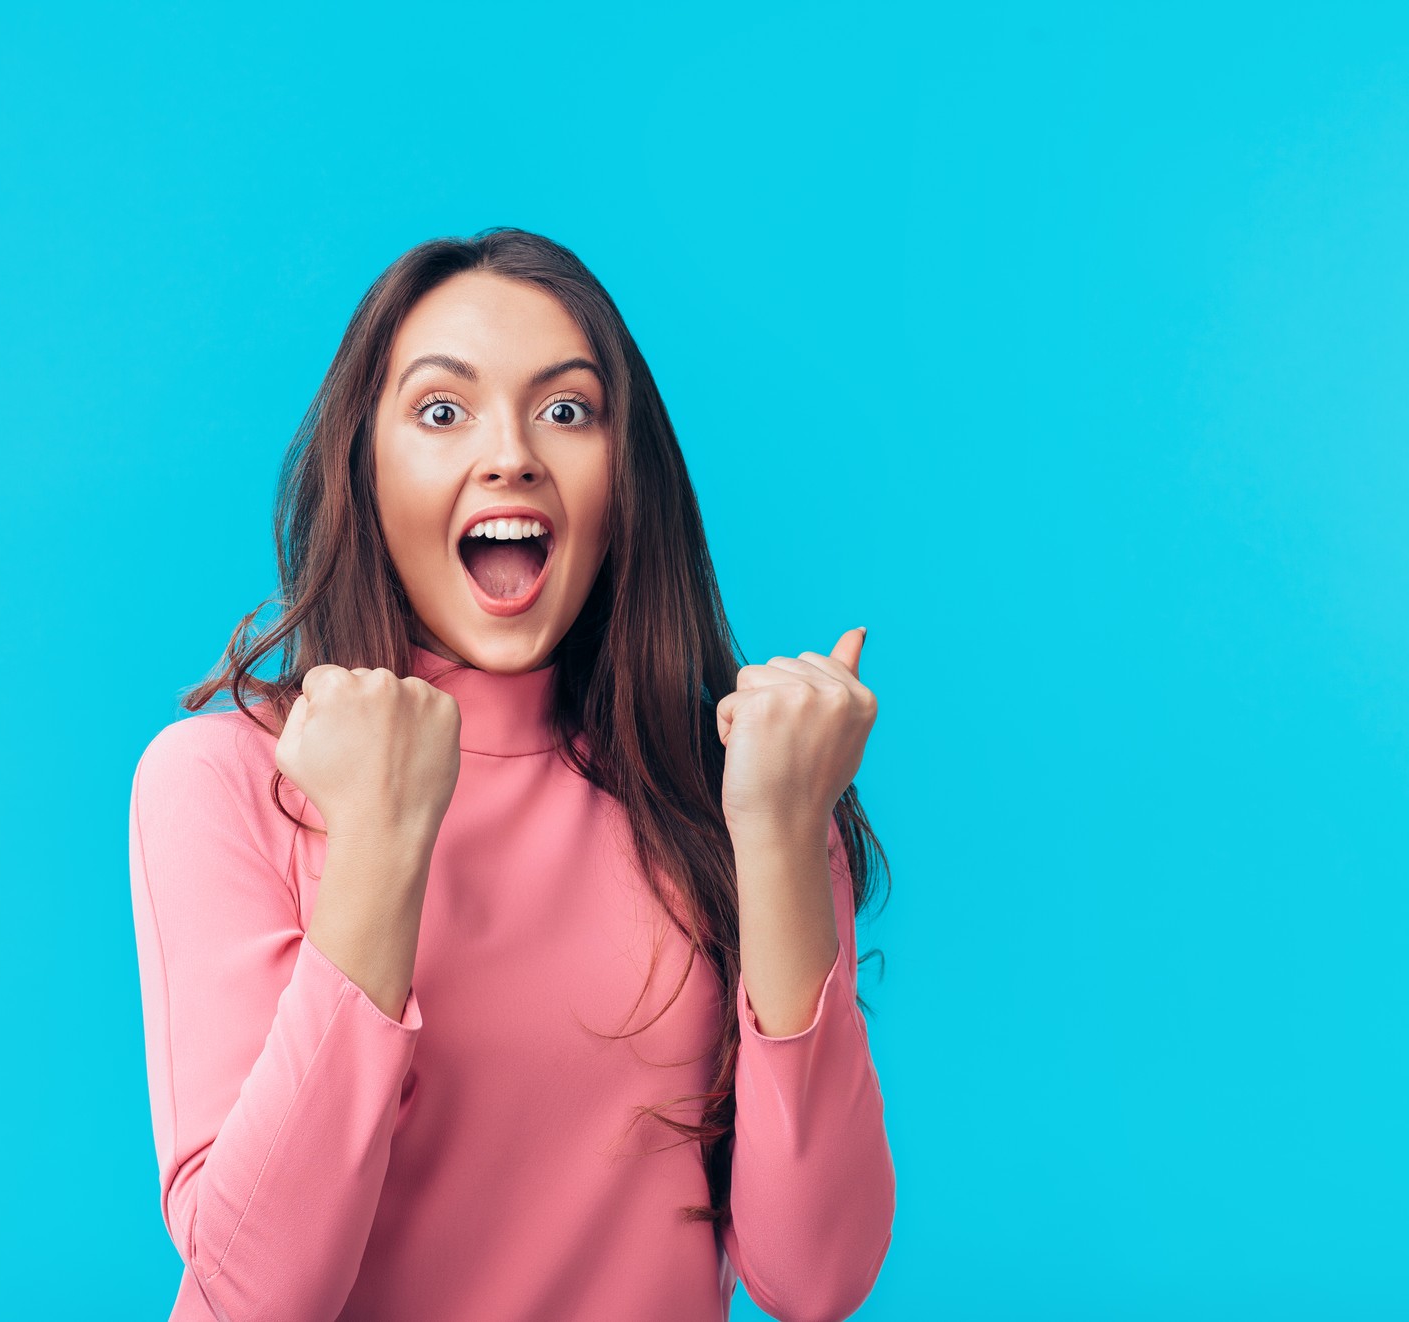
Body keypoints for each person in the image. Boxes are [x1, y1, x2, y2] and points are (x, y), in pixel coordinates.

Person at [126, 227, 895, 1321]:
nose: (512, 455)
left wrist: (778, 828)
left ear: (625, 478)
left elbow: (816, 1277)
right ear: (368, 465)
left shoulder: (734, 791)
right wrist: (382, 842)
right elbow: (260, 1291)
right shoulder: (225, 777)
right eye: (443, 411)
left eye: (567, 410)